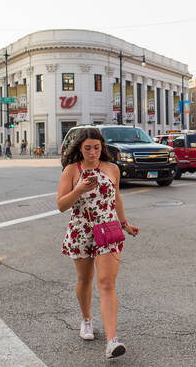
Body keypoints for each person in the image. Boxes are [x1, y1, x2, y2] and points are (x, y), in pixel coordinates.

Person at [57, 127, 140, 360]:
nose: (93, 152)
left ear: (102, 147)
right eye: (87, 148)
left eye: (96, 147)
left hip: (108, 229)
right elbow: (61, 205)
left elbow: (117, 198)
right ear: (79, 149)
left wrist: (125, 224)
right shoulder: (72, 171)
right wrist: (79, 188)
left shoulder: (112, 168)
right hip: (81, 229)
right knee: (85, 279)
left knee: (106, 283)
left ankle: (112, 341)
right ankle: (86, 319)